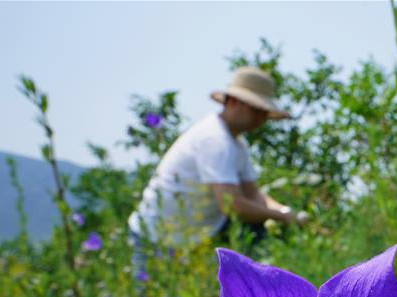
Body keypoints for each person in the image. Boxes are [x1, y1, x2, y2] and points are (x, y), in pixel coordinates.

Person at [128, 66, 303, 253]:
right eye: (257, 110)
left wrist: (287, 213)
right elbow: (232, 205)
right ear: (234, 102)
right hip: (156, 237)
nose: (261, 119)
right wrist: (282, 217)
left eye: (264, 112)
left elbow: (253, 194)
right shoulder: (215, 140)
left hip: (189, 239)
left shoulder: (237, 143)